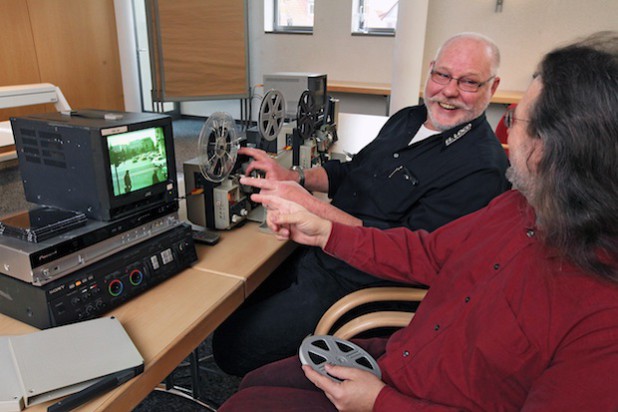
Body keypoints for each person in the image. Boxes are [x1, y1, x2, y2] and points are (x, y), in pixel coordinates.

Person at [219, 31, 618, 411]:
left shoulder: (600, 321)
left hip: (387, 358)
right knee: (254, 379)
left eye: (515, 122)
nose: (507, 136)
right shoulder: (518, 206)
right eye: (441, 75)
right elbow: (426, 249)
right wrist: (323, 228)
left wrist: (380, 402)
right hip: (408, 356)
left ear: (554, 150)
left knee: (238, 374)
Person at [213, 32, 511, 376]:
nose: (449, 91)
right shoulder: (409, 118)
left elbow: (406, 254)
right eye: (442, 75)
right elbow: (354, 170)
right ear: (430, 72)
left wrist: (311, 207)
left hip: (358, 286)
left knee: (229, 347)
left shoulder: (481, 169)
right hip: (319, 254)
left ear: (493, 86)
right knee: (229, 299)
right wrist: (294, 178)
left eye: (469, 82)